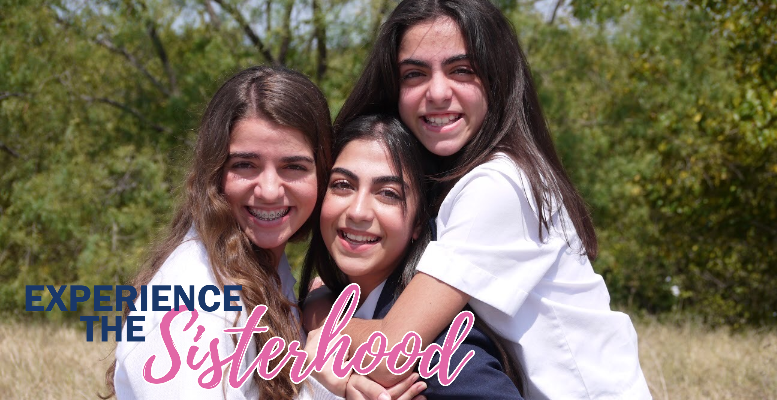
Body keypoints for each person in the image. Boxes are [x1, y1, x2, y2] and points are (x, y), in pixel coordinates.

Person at [320, 0, 652, 398]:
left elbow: (394, 352)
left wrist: (314, 339)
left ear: (497, 79)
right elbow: (339, 284)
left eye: (462, 70)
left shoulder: (500, 185)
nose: (438, 92)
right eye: (414, 73)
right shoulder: (449, 177)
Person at [103, 66, 422, 400]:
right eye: (245, 165)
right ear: (215, 173)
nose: (269, 190)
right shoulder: (193, 298)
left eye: (294, 167)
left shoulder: (265, 271)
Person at [300, 114, 525, 400]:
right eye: (343, 185)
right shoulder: (326, 303)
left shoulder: (440, 351)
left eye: (388, 194)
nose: (358, 211)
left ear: (419, 222)